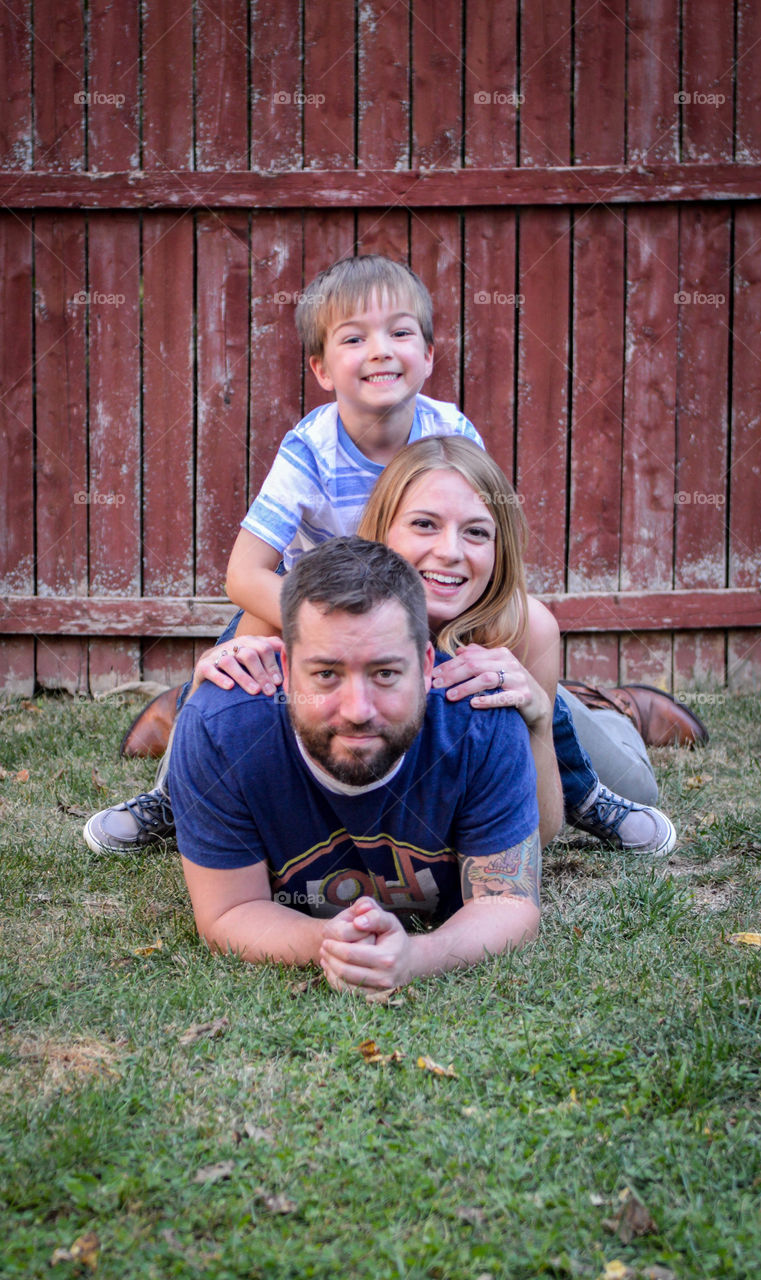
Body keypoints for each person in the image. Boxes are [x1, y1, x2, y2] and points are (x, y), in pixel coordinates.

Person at [84, 256, 681, 857]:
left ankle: (576, 788)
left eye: (400, 332)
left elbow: (480, 536)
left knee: (529, 628)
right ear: (320, 367)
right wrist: (318, 623)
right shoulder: (309, 451)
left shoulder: (449, 429)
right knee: (243, 637)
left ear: (428, 356)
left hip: (435, 603)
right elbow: (244, 573)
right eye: (354, 337)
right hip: (332, 601)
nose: (380, 350)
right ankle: (176, 788)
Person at [170, 536, 544, 992]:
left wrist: (415, 956)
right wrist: (327, 942)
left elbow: (507, 902)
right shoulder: (221, 729)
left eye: (385, 673)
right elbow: (228, 910)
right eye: (326, 674)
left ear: (427, 665)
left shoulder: (481, 720)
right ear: (286, 667)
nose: (357, 709)